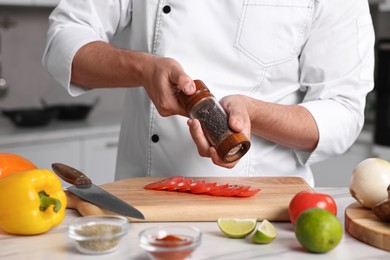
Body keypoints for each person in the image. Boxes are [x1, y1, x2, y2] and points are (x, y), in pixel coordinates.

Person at [43, 0, 375, 187]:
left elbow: (343, 112)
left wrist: (252, 113)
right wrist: (143, 69)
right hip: (145, 200)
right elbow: (64, 40)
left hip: (264, 209)